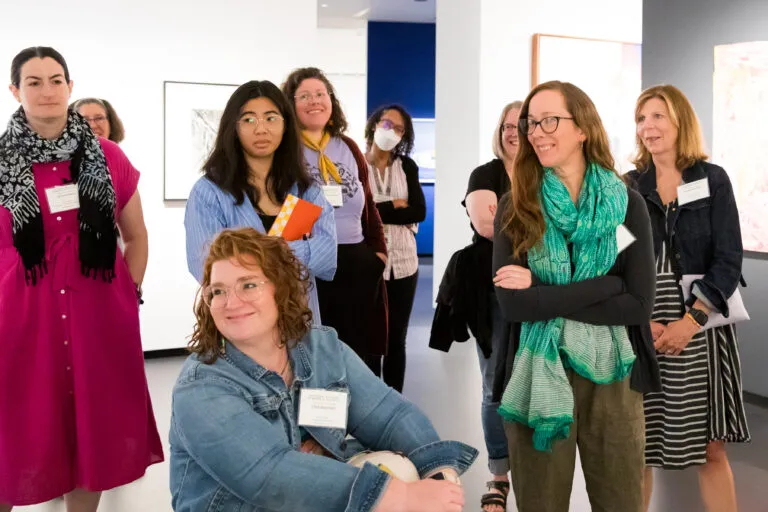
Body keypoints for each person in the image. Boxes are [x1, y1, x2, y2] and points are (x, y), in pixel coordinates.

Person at [169, 227, 478, 512]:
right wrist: (400, 497)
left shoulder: (320, 348)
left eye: (248, 285)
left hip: (310, 498)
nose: (230, 302)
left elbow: (390, 415)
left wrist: (437, 470)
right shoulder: (201, 387)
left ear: (280, 289)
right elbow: (270, 476)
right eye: (217, 291)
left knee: (404, 471)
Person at [0, 46, 163, 511]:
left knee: (93, 428)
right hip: (21, 319)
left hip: (99, 316)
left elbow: (136, 236)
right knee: (16, 427)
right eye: (34, 82)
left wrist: (126, 296)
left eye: (56, 80)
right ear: (15, 90)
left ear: (70, 87)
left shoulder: (108, 156)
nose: (47, 90)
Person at [492, 80, 659, 512]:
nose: (536, 132)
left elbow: (638, 305)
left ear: (582, 128)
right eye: (532, 123)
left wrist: (542, 290)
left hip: (614, 373)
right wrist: (608, 285)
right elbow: (514, 306)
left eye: (551, 120)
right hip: (536, 372)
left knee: (621, 500)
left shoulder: (625, 206)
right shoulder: (517, 206)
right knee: (541, 503)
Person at [627, 84, 750, 512]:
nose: (648, 126)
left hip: (703, 323)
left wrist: (690, 321)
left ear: (681, 121)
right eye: (642, 117)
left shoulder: (712, 180)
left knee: (711, 447)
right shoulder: (628, 187)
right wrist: (638, 321)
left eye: (658, 116)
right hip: (643, 323)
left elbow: (729, 259)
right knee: (637, 445)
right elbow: (616, 258)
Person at [184, 80, 336, 322]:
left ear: (286, 125)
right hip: (240, 320)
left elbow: (328, 255)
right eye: (249, 120)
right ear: (233, 127)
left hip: (298, 317)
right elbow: (207, 265)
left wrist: (251, 256)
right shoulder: (209, 192)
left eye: (271, 118)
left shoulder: (306, 191)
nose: (261, 129)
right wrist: (294, 253)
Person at [282, 67, 388, 374]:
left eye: (320, 94)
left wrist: (377, 255)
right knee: (318, 357)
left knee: (360, 358)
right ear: (292, 104)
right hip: (312, 267)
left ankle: (358, 421)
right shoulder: (287, 151)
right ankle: (325, 422)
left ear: (331, 100)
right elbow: (284, 216)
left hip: (357, 262)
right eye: (304, 96)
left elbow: (368, 206)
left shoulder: (348, 147)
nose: (314, 101)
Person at [462, 101, 521, 512]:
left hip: (544, 291)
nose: (512, 133)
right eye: (506, 126)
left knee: (540, 378)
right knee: (495, 385)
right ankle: (499, 473)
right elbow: (487, 226)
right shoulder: (486, 174)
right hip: (491, 292)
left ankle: (533, 465)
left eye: (521, 125)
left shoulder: (550, 175)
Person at [364, 104, 426, 392]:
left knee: (395, 339)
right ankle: (369, 407)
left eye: (399, 129)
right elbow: (358, 213)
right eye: (387, 124)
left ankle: (394, 403)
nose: (391, 132)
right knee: (369, 340)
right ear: (376, 124)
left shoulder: (407, 167)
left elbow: (419, 211)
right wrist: (393, 205)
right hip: (368, 263)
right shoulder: (356, 164)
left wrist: (377, 208)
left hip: (404, 264)